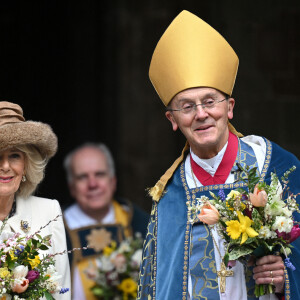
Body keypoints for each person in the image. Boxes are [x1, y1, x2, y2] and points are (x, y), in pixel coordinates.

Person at [138, 10, 300, 300]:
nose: (201, 114)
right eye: (186, 106)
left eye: (210, 101)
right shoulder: (170, 195)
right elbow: (158, 286)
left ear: (230, 107)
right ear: (172, 120)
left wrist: (284, 277)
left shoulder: (276, 166)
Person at [0, 101, 71, 299]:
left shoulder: (49, 211)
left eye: (14, 156)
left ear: (25, 164)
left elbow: (61, 291)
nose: (5, 166)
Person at [63, 142, 149, 300]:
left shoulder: (143, 225)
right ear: (72, 187)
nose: (93, 184)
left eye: (100, 174)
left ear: (113, 181)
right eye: (83, 177)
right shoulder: (54, 228)